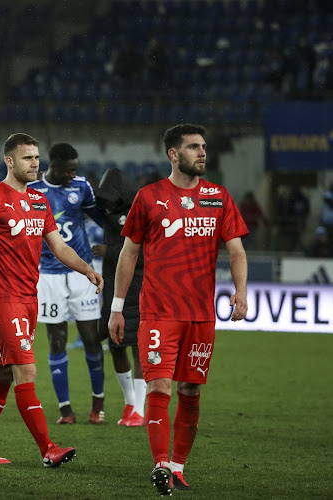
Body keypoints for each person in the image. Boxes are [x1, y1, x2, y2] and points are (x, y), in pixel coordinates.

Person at [0, 133, 103, 468]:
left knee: (3, 373)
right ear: (9, 161)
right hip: (2, 299)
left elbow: (59, 247)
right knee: (26, 371)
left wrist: (86, 268)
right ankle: (48, 448)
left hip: (28, 298)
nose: (35, 163)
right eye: (28, 158)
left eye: (37, 157)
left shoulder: (39, 202)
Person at [108, 123, 248, 496]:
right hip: (158, 312)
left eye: (203, 146)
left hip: (200, 315)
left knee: (190, 391)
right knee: (159, 384)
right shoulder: (149, 197)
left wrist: (241, 292)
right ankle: (160, 467)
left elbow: (235, 250)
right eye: (193, 147)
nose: (202, 152)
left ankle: (178, 467)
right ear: (173, 154)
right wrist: (117, 308)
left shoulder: (219, 197)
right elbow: (129, 253)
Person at [28, 143, 107, 425]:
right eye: (68, 170)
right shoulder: (33, 190)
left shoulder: (82, 187)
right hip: (48, 275)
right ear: (55, 167)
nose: (73, 175)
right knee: (57, 340)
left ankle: (98, 405)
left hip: (80, 272)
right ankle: (65, 409)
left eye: (76, 170)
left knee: (90, 339)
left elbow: (103, 219)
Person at [92, 167, 147, 427]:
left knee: (137, 345)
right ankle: (129, 402)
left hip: (138, 286)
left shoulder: (141, 212)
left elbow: (145, 253)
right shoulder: (111, 214)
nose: (106, 202)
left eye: (110, 196)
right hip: (113, 287)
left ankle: (140, 409)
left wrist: (109, 250)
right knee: (116, 345)